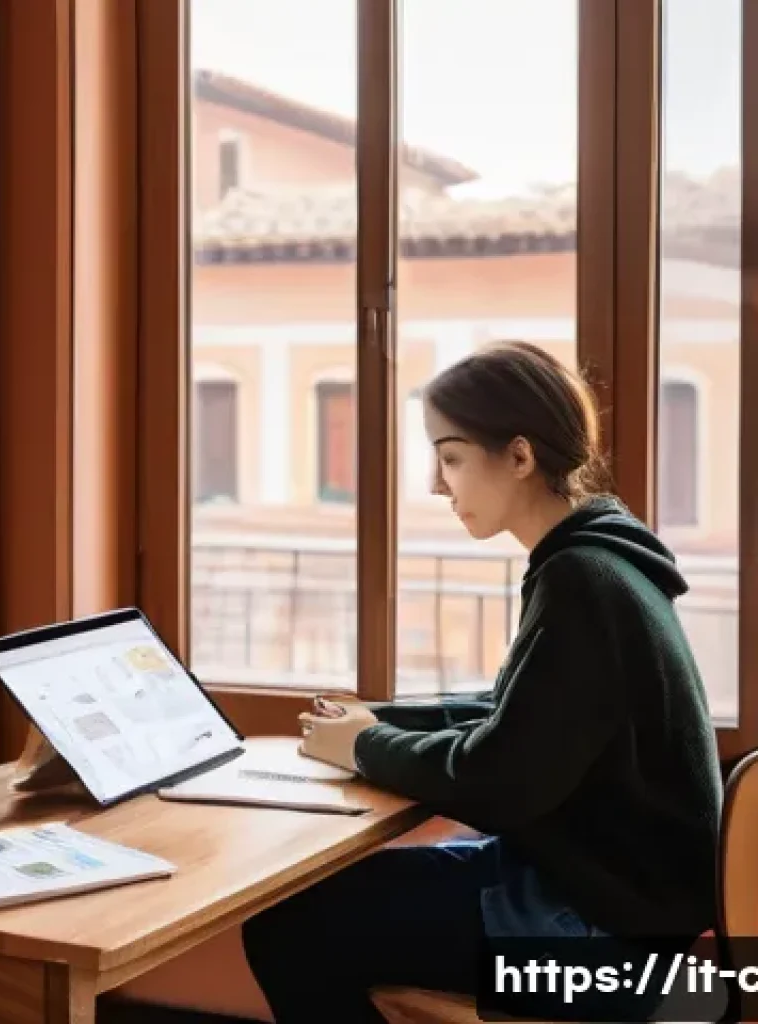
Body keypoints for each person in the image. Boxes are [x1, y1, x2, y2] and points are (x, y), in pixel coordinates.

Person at [240, 341, 723, 1023]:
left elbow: (501, 781)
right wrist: (377, 722)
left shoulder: (581, 581)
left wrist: (363, 749)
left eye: (451, 456)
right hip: (614, 904)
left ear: (520, 457)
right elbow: (518, 713)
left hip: (603, 942)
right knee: (316, 906)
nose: (439, 485)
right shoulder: (602, 557)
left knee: (288, 926)